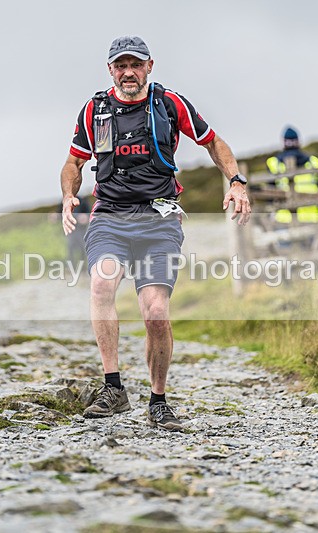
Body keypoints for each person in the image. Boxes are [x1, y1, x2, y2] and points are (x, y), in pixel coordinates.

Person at [60, 36, 250, 431]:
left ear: (150, 66)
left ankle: (158, 401)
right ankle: (113, 388)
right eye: (120, 65)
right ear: (110, 70)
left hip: (159, 219)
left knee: (157, 313)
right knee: (101, 284)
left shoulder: (169, 104)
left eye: (136, 64)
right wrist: (67, 197)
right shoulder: (95, 111)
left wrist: (235, 181)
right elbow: (74, 162)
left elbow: (213, 142)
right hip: (110, 215)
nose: (128, 72)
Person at [266, 127, 318, 225]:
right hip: (310, 216)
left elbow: (269, 192)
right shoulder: (313, 161)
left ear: (283, 142)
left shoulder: (273, 163)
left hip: (284, 218)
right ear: (298, 141)